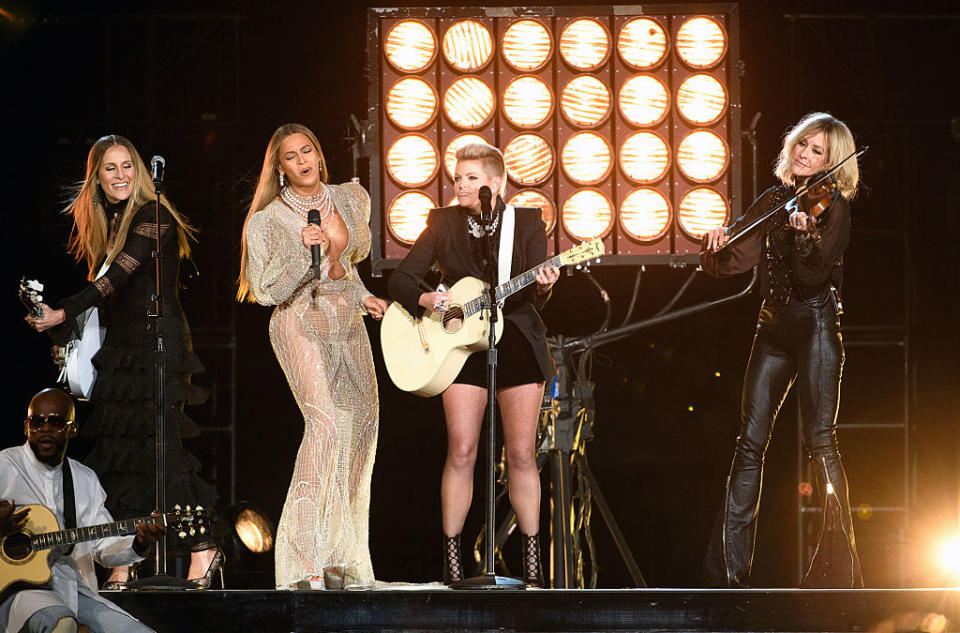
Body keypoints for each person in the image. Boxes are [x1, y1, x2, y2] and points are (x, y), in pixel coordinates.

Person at [24, 135, 220, 588]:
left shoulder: (153, 215)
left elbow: (117, 279)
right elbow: (105, 304)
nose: (120, 176)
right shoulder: (108, 224)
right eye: (109, 168)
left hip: (156, 345)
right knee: (123, 457)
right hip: (122, 349)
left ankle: (204, 545)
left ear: (141, 171)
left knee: (160, 452)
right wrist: (66, 338)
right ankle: (124, 556)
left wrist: (63, 310)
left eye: (127, 166)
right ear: (97, 178)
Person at [700, 112, 863, 588]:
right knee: (749, 442)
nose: (805, 155)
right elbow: (733, 261)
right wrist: (714, 246)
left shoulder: (833, 207)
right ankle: (727, 571)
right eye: (802, 145)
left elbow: (814, 278)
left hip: (814, 325)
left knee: (821, 441)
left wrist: (803, 236)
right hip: (772, 327)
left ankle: (837, 572)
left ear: (833, 162)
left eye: (817, 152)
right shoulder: (775, 200)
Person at [387, 142, 559, 586]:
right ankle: (453, 567)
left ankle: (534, 570)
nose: (460, 185)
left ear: (495, 184)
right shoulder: (442, 223)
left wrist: (544, 285)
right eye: (458, 177)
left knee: (521, 454)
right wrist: (426, 297)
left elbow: (534, 289)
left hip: (516, 340)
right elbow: (402, 277)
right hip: (460, 347)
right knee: (462, 451)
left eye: (470, 178)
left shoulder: (526, 222)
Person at [238, 123, 388, 590]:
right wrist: (306, 257)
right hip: (299, 321)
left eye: (307, 151)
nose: (302, 160)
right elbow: (266, 293)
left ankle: (340, 559)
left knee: (360, 429)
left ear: (319, 156)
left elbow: (351, 264)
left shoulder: (349, 198)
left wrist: (364, 296)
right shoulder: (269, 221)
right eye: (290, 156)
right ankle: (301, 563)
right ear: (279, 168)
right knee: (324, 427)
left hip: (347, 321)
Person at [0, 388, 165, 633]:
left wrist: (139, 544)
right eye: (37, 422)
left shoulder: (85, 479)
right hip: (17, 591)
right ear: (26, 426)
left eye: (55, 422)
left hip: (72, 590)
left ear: (73, 429)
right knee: (61, 624)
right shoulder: (4, 465)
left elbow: (103, 547)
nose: (45, 428)